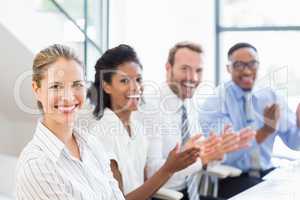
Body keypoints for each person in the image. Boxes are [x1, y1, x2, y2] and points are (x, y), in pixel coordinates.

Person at [86, 44, 207, 200]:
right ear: (107, 86)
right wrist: (168, 169)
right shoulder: (104, 134)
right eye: (124, 81)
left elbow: (146, 188)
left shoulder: (137, 129)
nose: (135, 87)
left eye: (138, 79)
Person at [137, 41, 255, 200]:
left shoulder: (189, 105)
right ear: (168, 68)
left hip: (192, 193)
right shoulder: (151, 108)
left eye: (198, 71)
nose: (192, 78)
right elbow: (153, 174)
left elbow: (201, 156)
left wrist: (217, 152)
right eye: (184, 69)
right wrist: (201, 160)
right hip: (167, 196)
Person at [15, 44, 125, 200]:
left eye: (77, 85)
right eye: (56, 86)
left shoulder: (92, 145)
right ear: (36, 89)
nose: (68, 97)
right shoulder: (36, 166)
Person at [199, 42, 300, 199]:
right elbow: (225, 153)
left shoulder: (271, 96)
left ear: (258, 65)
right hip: (231, 179)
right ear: (228, 68)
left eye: (252, 63)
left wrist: (299, 124)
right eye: (239, 65)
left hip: (267, 175)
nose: (247, 70)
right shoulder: (215, 102)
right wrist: (265, 131)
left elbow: (295, 143)